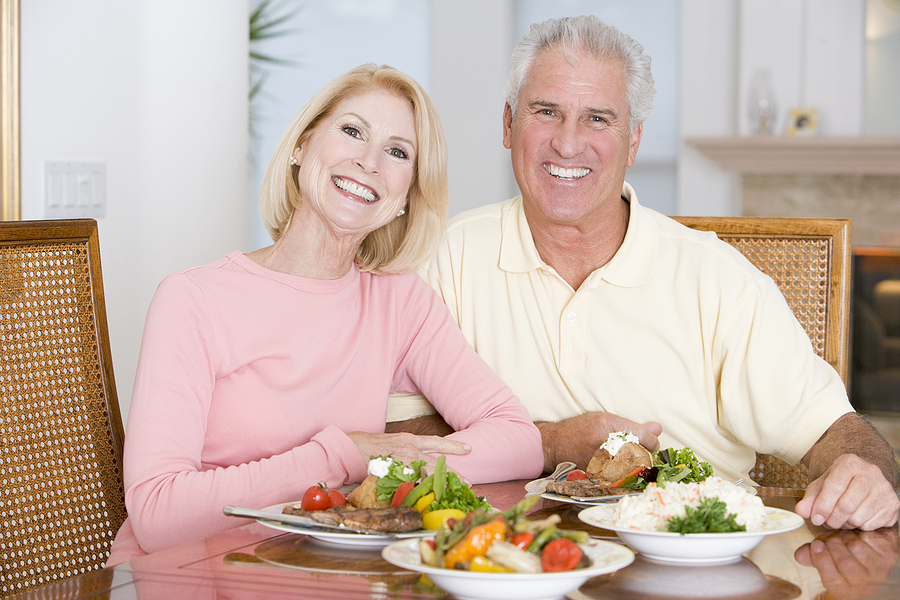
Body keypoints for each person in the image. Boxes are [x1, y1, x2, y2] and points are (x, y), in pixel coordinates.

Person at [386, 16, 900, 530]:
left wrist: (864, 474)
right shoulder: (443, 257)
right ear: (508, 125)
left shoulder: (719, 279)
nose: (567, 144)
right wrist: (549, 442)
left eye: (597, 119)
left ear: (632, 142)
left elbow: (834, 431)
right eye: (546, 111)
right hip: (502, 557)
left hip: (693, 562)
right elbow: (402, 436)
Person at [107, 64, 543, 565]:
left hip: (323, 573)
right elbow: (158, 515)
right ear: (302, 145)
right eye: (352, 131)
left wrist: (395, 462)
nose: (368, 161)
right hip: (185, 577)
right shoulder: (192, 298)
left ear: (406, 196)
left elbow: (518, 440)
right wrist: (341, 456)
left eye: (397, 152)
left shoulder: (398, 302)